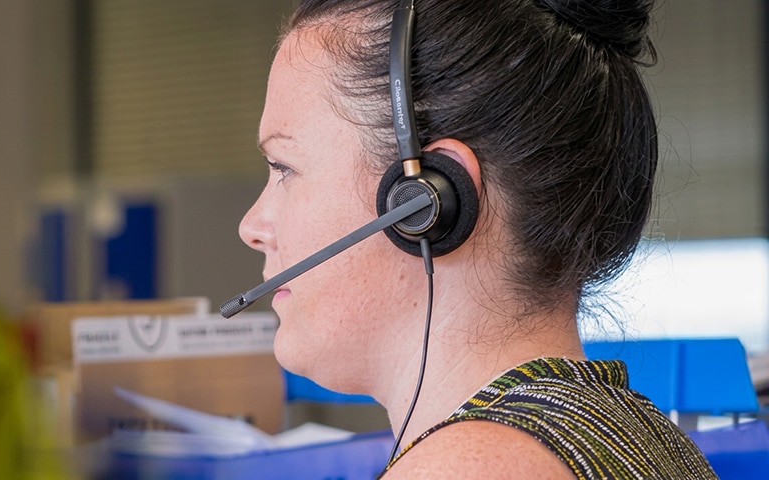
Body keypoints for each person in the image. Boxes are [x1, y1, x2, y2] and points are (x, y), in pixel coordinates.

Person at [236, 0, 718, 478]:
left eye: (284, 168)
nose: (252, 227)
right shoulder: (639, 432)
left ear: (426, 198)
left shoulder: (471, 469)